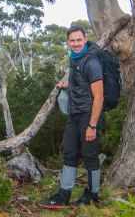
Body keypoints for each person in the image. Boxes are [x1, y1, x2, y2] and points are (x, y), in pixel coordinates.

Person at [40, 25, 104, 209]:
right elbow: (81, 82)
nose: (76, 43)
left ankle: (93, 195)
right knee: (69, 153)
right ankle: (64, 194)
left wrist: (92, 125)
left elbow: (99, 96)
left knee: (90, 155)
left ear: (85, 40)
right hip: (74, 114)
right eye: (72, 40)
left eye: (79, 40)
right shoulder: (74, 59)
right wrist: (66, 84)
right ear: (68, 42)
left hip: (89, 116)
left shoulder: (92, 62)